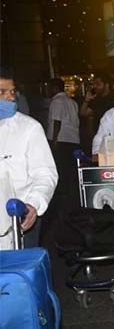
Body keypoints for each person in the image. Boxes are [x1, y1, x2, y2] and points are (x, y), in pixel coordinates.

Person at [0, 66, 58, 248]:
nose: (10, 97)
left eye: (12, 91)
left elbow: (45, 174)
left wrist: (33, 205)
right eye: (2, 92)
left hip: (19, 221)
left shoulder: (28, 129)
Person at [46, 77, 80, 205]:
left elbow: (56, 121)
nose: (48, 90)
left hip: (61, 140)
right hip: (73, 139)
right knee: (70, 170)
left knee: (60, 169)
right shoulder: (72, 102)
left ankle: (63, 199)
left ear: (55, 88)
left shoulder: (57, 102)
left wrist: (55, 140)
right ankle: (72, 197)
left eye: (49, 87)